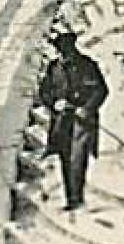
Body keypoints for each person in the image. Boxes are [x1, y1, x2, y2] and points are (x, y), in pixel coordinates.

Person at [37, 30, 111, 211]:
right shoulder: (54, 68)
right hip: (61, 121)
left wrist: (86, 109)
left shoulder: (87, 65)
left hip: (82, 122)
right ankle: (71, 197)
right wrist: (54, 103)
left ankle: (76, 198)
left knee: (77, 157)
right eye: (60, 51)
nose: (63, 54)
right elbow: (44, 92)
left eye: (66, 50)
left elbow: (100, 90)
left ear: (72, 48)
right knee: (65, 157)